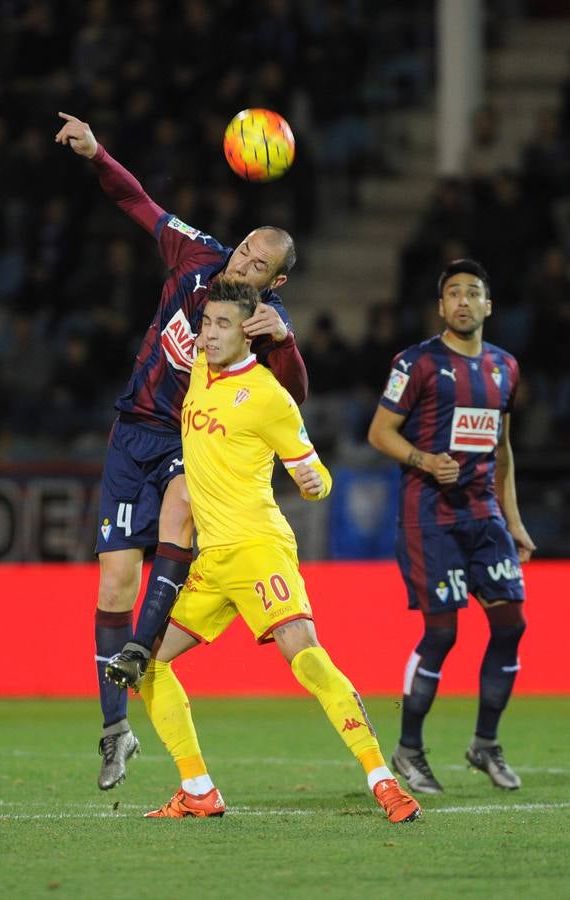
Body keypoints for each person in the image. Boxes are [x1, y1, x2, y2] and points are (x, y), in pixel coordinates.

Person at [54, 112, 308, 791]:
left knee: (181, 512)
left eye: (260, 262)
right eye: (247, 247)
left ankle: (143, 648)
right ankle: (115, 729)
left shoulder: (262, 326)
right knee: (113, 582)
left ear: (275, 282)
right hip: (131, 430)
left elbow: (296, 394)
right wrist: (97, 152)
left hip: (192, 441)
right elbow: (138, 202)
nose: (245, 259)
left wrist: (282, 339)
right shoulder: (197, 255)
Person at [107, 277, 421, 824]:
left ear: (248, 334)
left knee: (306, 656)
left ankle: (384, 780)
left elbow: (314, 472)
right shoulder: (201, 371)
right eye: (206, 323)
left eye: (222, 325)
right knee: (147, 665)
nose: (208, 334)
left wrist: (313, 480)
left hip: (258, 548)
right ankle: (198, 789)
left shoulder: (270, 398)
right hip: (211, 561)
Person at [367, 259, 535, 795]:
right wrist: (422, 458)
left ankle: (484, 744)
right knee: (443, 632)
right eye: (453, 294)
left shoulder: (505, 367)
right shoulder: (415, 362)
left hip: (484, 516)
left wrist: (515, 521)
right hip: (429, 516)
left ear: (489, 306)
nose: (463, 301)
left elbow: (501, 447)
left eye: (473, 293)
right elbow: (379, 432)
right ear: (441, 307)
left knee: (510, 624)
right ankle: (409, 750)